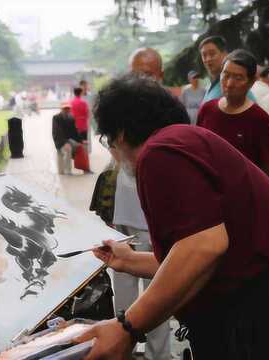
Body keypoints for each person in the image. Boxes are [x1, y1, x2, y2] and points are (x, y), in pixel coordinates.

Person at [74, 73, 269, 360]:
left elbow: (203, 247)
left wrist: (127, 327)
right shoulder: (183, 142)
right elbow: (209, 254)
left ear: (120, 133)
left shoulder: (159, 152)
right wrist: (129, 260)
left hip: (264, 321)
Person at [109, 47, 172, 360]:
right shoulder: (119, 106)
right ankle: (121, 349)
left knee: (158, 293)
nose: (139, 79)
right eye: (134, 72)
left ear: (159, 75)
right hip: (123, 211)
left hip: (156, 215)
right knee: (122, 292)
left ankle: (159, 355)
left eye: (146, 74)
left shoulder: (168, 111)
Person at [197, 49, 269, 173]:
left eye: (238, 78)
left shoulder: (260, 119)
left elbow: (267, 167)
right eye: (226, 75)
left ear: (251, 82)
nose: (229, 84)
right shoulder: (207, 110)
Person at [198, 36, 255, 104]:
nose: (208, 59)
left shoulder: (237, 86)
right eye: (204, 55)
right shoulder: (211, 85)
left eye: (212, 54)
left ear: (225, 54)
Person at [52, 102, 81, 175]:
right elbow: (57, 132)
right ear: (61, 109)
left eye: (68, 108)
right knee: (66, 150)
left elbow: (74, 131)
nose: (66, 110)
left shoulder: (71, 118)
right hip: (59, 140)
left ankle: (66, 170)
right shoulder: (56, 118)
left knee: (80, 146)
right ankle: (67, 171)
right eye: (65, 108)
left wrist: (81, 141)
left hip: (68, 140)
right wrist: (64, 143)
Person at [70, 87, 91, 173]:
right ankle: (84, 166)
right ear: (81, 93)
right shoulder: (83, 102)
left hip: (73, 126)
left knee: (75, 145)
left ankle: (75, 163)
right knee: (84, 145)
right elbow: (87, 114)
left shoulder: (70, 102)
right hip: (82, 126)